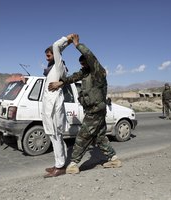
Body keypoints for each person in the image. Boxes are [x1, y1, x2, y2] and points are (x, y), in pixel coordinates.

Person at [48, 34, 122, 174]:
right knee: (100, 137)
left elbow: (90, 56)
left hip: (95, 110)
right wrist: (60, 83)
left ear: (88, 62)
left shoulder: (97, 72)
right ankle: (113, 159)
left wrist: (77, 45)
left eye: (83, 63)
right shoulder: (86, 73)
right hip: (94, 110)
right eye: (81, 64)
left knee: (83, 136)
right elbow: (74, 77)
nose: (82, 66)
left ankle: (74, 164)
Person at [42, 34, 73, 178]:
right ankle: (58, 163)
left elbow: (56, 46)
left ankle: (60, 166)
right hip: (49, 106)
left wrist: (68, 40)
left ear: (56, 55)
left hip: (54, 106)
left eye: (50, 54)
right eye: (46, 55)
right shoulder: (51, 68)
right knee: (54, 137)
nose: (47, 56)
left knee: (56, 136)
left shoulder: (59, 65)